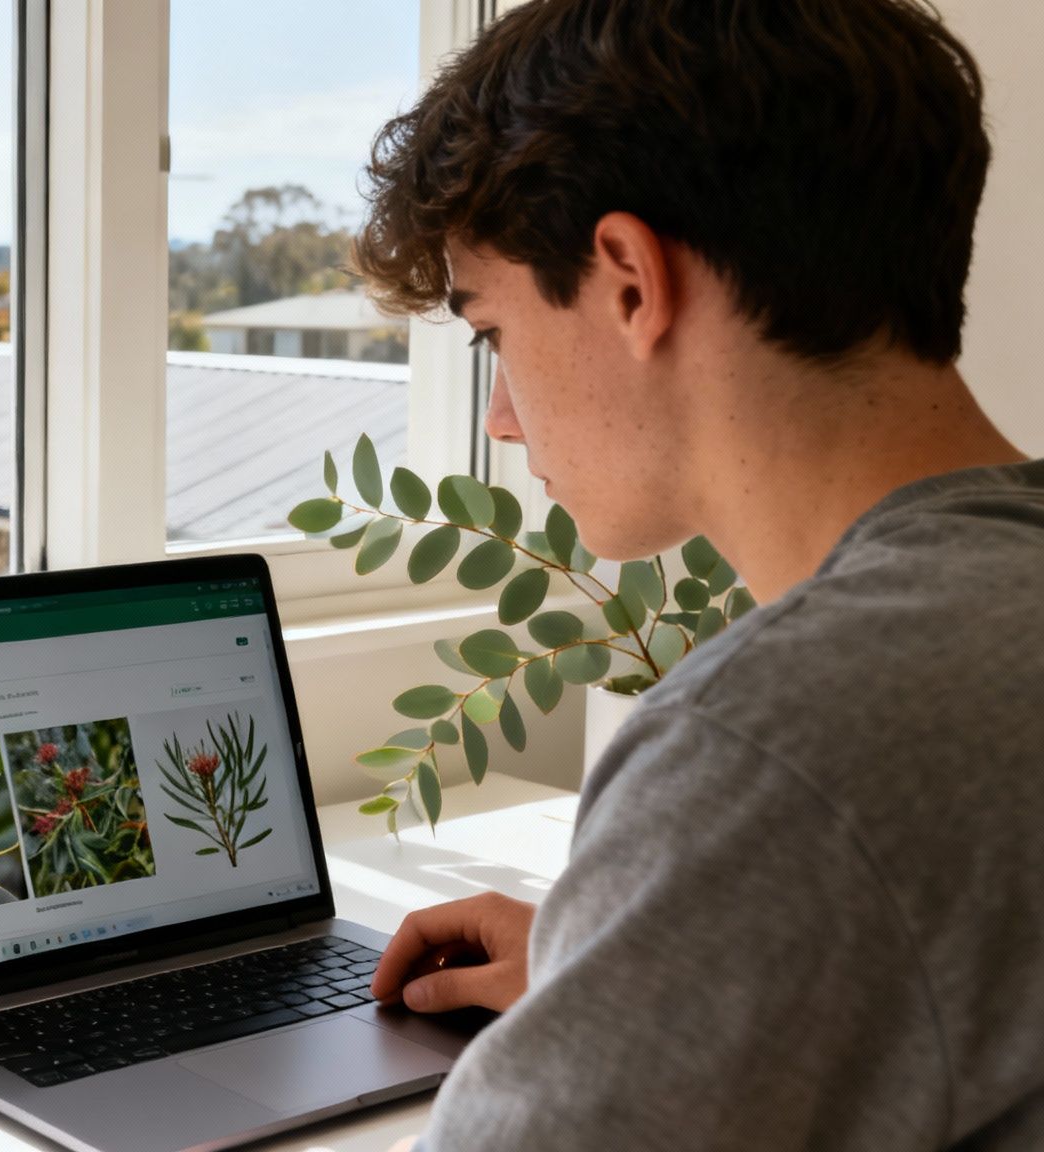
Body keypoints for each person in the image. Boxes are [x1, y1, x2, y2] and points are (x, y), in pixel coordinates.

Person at [350, 1, 1044, 1148]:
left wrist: (702, 903)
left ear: (627, 279)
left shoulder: (787, 740)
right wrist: (648, 962)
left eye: (492, 336)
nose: (502, 420)